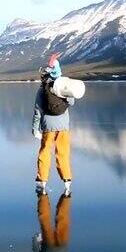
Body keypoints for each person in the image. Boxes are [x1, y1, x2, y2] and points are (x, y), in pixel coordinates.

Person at [32, 54, 75, 195]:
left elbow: (38, 110)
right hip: (63, 127)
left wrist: (35, 129)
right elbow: (71, 102)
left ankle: (42, 181)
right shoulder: (64, 86)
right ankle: (67, 181)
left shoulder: (42, 88)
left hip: (47, 127)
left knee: (44, 153)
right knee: (63, 154)